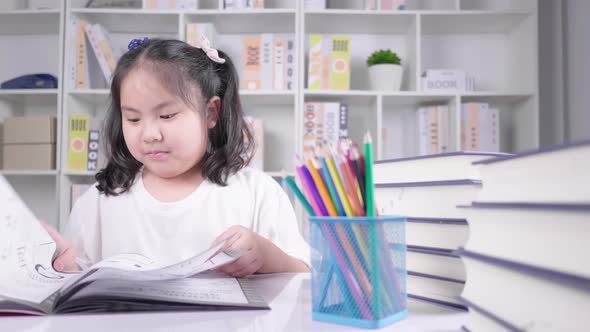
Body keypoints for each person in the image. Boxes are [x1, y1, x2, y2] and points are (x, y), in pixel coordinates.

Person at [43, 37, 310, 277]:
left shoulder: (257, 192)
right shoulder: (100, 201)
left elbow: (304, 273)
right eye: (133, 118)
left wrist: (264, 255)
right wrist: (56, 264)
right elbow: (72, 277)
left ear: (211, 113)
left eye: (167, 116)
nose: (150, 134)